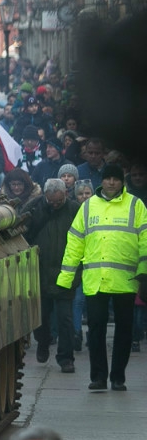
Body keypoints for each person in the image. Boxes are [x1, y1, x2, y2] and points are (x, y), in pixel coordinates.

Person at [58, 164, 147, 391]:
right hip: (95, 280)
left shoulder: (136, 205)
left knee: (124, 331)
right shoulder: (88, 207)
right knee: (96, 329)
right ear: (102, 181)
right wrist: (65, 280)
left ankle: (118, 377)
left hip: (125, 281)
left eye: (115, 179)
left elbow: (145, 240)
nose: (111, 183)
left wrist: (144, 273)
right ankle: (98, 377)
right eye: (107, 178)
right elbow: (75, 243)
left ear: (121, 181)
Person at [24, 179, 81, 373]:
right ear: (46, 197)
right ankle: (43, 341)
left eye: (59, 201)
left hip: (66, 272)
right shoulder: (34, 207)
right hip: (40, 271)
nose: (55, 205)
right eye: (52, 202)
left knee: (65, 319)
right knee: (41, 316)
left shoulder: (75, 209)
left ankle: (66, 358)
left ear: (66, 193)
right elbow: (22, 234)